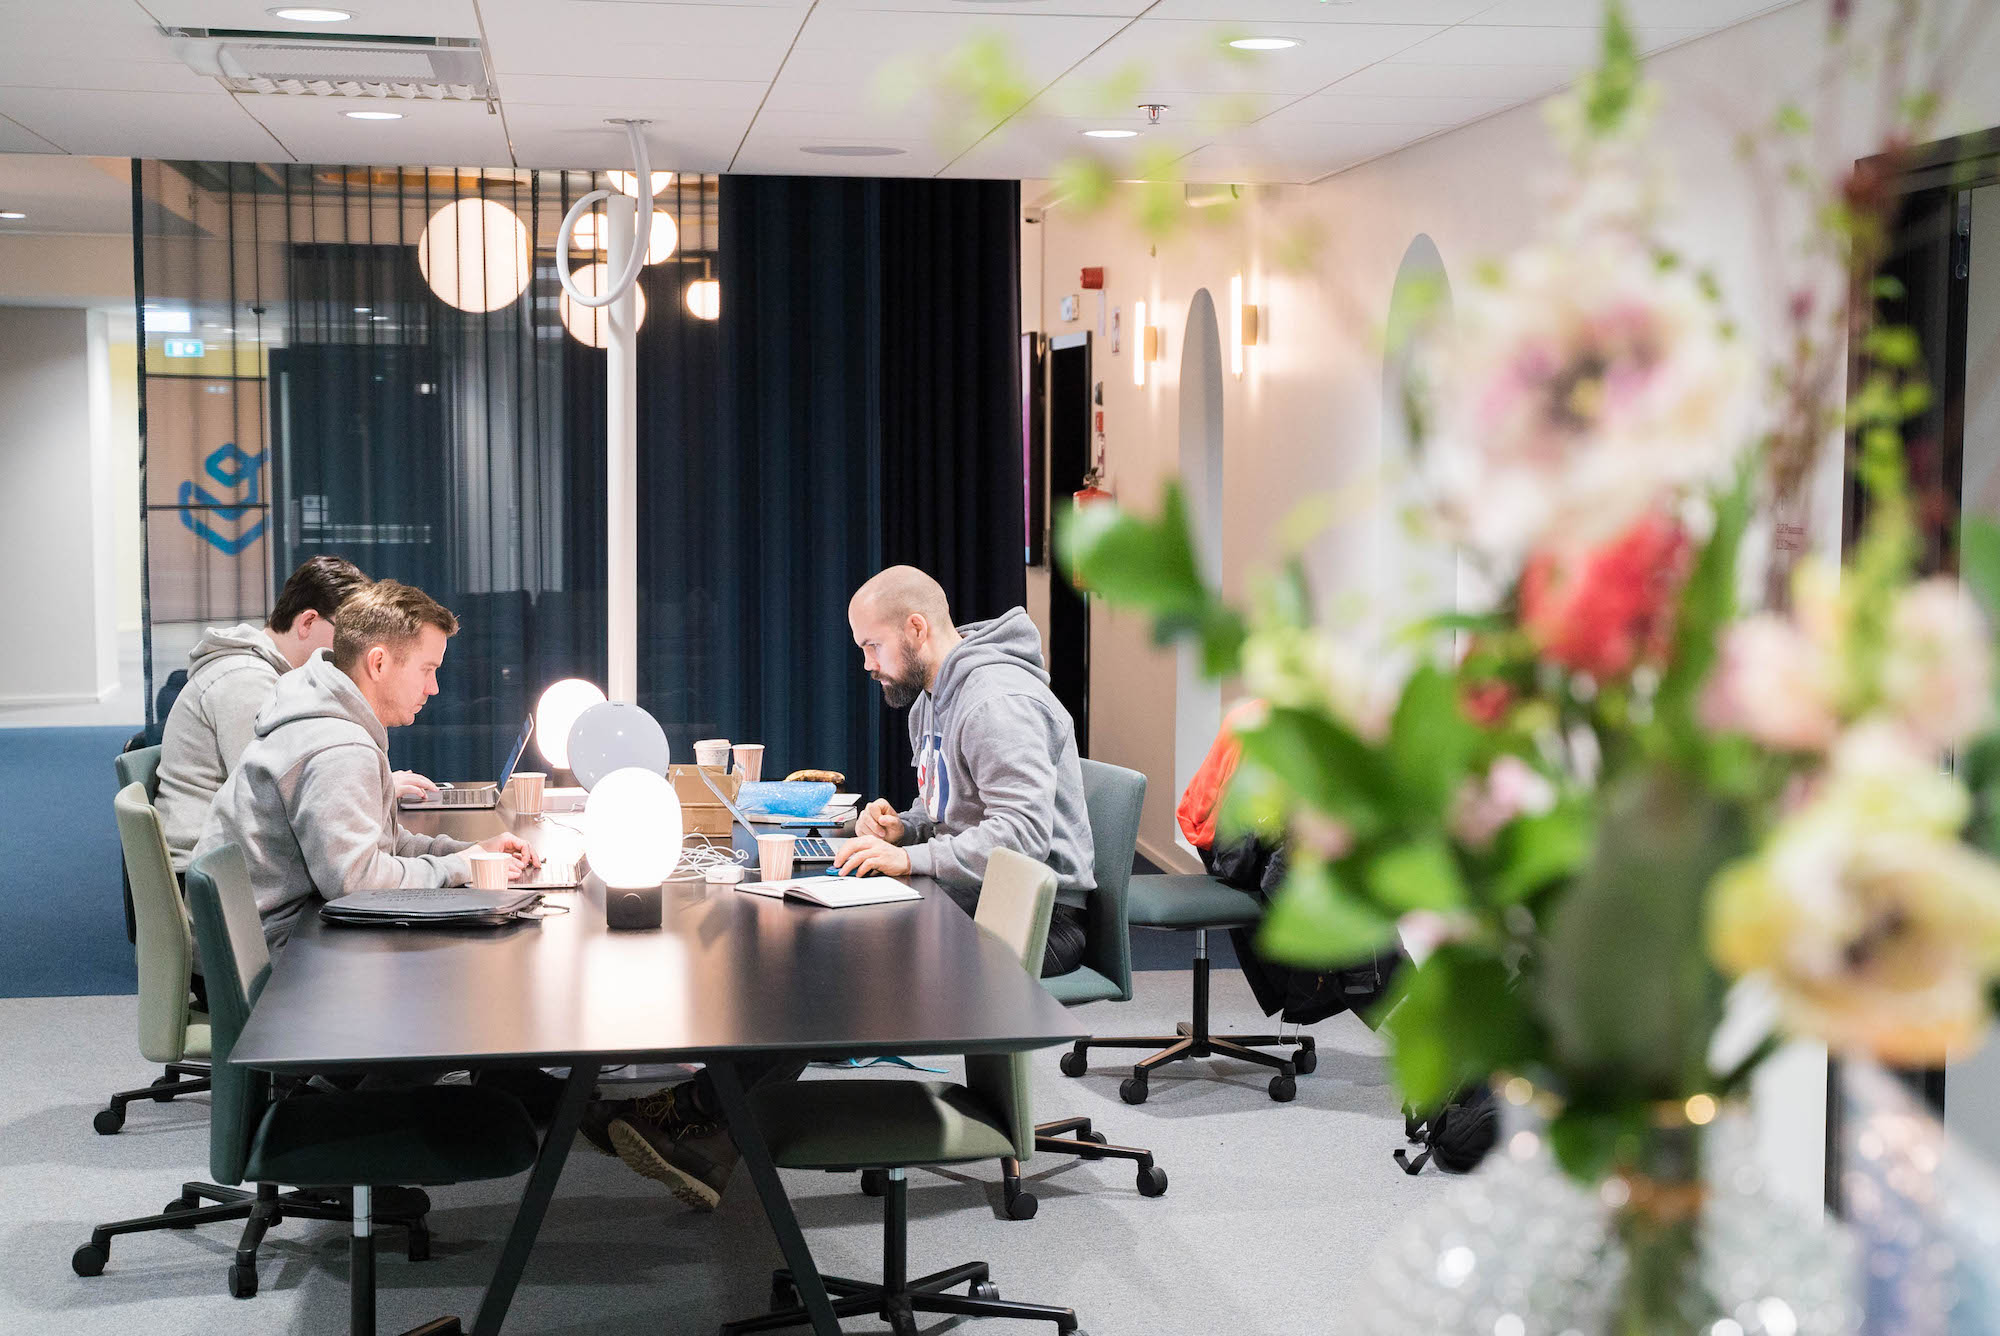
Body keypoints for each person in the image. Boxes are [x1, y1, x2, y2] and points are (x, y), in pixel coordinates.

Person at [193, 579, 537, 952]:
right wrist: (461, 867)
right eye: (427, 669)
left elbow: (381, 844)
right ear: (378, 663)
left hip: (265, 932)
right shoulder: (338, 745)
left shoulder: (331, 713)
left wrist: (471, 852)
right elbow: (357, 883)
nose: (433, 688)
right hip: (272, 954)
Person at [836, 565, 1096, 978]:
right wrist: (905, 829)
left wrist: (909, 858)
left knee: (867, 947)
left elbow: (1023, 836)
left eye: (874, 646)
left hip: (1039, 917)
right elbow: (946, 809)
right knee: (846, 924)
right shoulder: (929, 702)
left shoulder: (996, 703)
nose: (868, 664)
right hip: (975, 888)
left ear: (916, 629)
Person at [156, 555, 441, 871]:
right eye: (348, 630)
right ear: (307, 622)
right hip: (208, 874)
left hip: (237, 865)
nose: (355, 645)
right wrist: (367, 786)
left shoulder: (286, 683)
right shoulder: (245, 681)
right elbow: (275, 799)